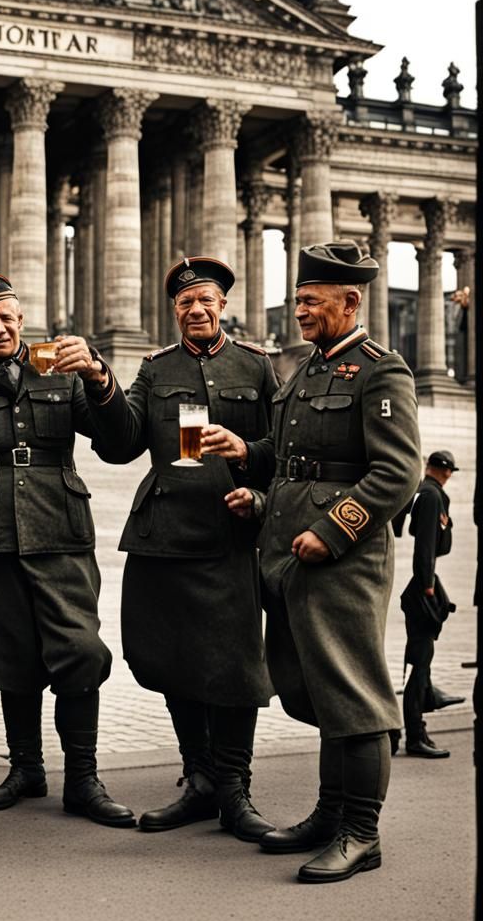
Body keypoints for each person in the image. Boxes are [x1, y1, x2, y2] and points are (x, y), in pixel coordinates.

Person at [209, 241, 421, 883]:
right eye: (298, 299)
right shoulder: (306, 368)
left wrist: (332, 530)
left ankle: (362, 831)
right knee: (316, 688)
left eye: (309, 301)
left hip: (342, 560)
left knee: (353, 693)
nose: (298, 310)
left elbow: (398, 471)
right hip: (291, 552)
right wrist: (251, 466)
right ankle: (330, 812)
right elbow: (296, 456)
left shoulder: (382, 371)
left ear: (349, 301)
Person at [0, 273, 135, 829]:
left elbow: (116, 444)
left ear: (23, 322)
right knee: (11, 657)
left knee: (80, 651)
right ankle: (25, 769)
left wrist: (98, 375)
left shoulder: (58, 369)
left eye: (7, 317)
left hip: (60, 528)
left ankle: (84, 779)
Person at [86, 256, 278, 842]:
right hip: (163, 534)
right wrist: (101, 386)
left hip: (227, 534)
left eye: (205, 301)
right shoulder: (154, 368)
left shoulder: (258, 367)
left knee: (236, 666)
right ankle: (198, 778)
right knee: (173, 659)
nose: (195, 310)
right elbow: (120, 444)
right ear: (174, 311)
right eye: (184, 303)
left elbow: (285, 448)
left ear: (224, 306)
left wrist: (250, 470)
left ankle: (234, 789)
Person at [399, 449, 463, 758]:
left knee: (422, 660)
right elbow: (424, 546)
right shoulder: (431, 495)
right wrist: (426, 585)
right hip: (424, 585)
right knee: (420, 663)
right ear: (446, 471)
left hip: (426, 582)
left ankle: (429, 698)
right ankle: (415, 733)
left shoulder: (427, 493)